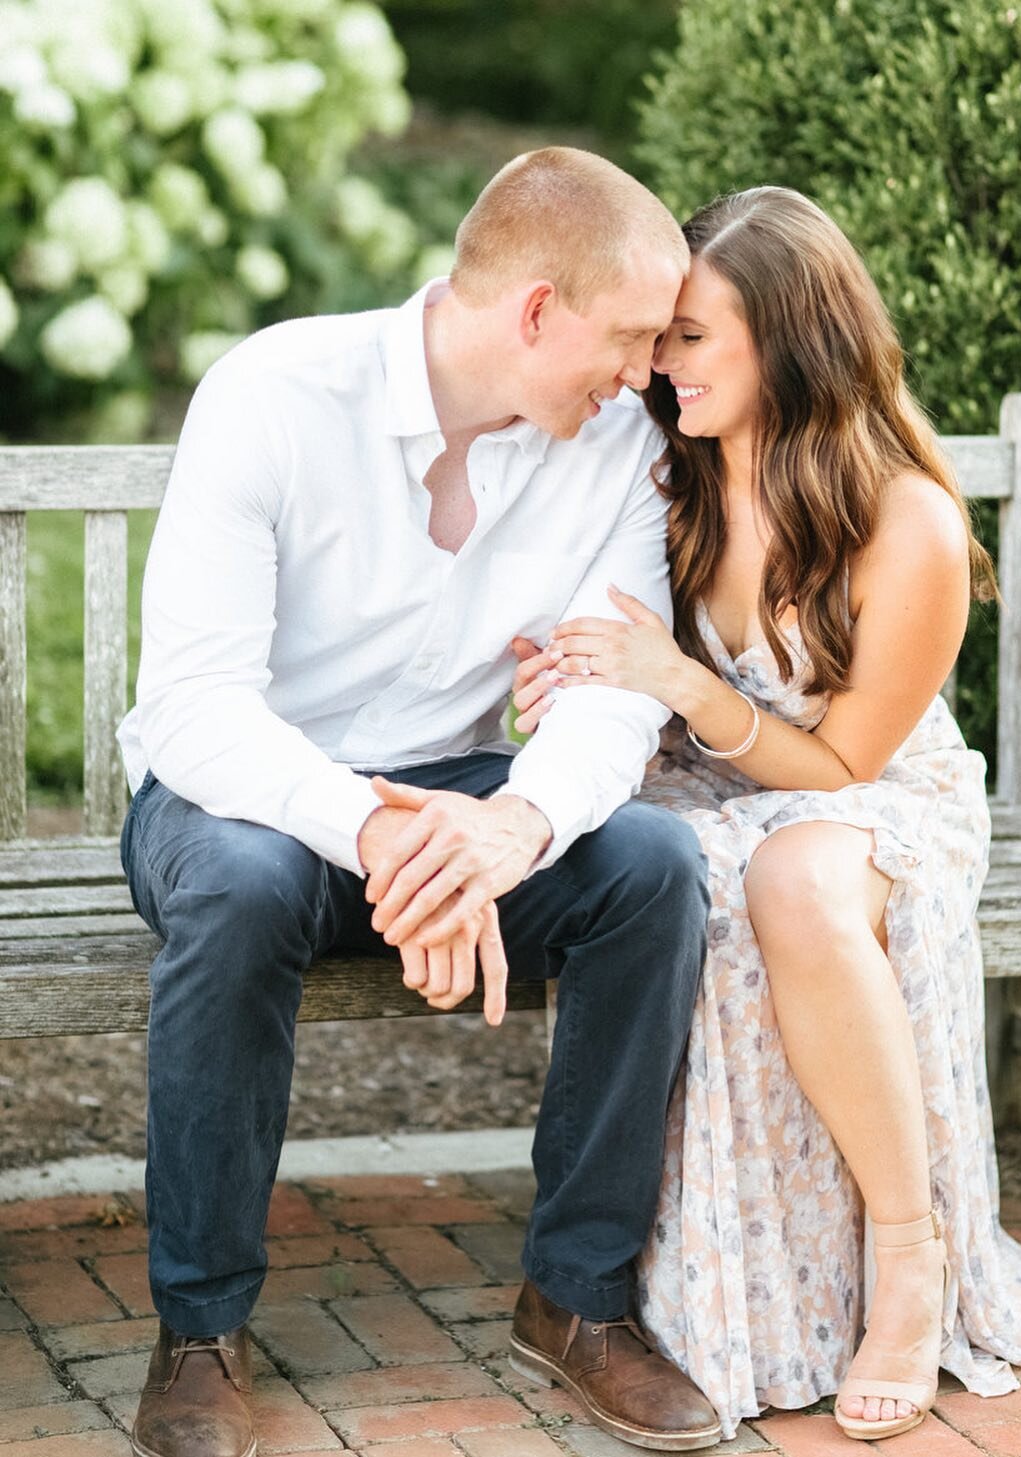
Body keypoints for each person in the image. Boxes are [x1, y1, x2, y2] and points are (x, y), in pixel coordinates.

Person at [512, 185, 1021, 1442]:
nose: (659, 362)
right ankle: (655, 1271)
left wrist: (685, 685)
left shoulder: (901, 519)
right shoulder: (669, 474)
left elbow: (848, 757)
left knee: (794, 882)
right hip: (704, 779)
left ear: (791, 337)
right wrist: (576, 673)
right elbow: (619, 660)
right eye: (659, 335)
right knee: (646, 869)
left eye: (690, 335)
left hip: (873, 795)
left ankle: (906, 1251)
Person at [116, 147, 726, 1457]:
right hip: (244, 794)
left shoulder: (618, 448)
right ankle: (200, 1329)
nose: (641, 374)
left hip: (455, 796)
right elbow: (195, 707)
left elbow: (611, 692)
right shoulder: (275, 394)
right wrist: (382, 829)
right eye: (625, 339)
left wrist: (508, 826)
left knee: (652, 872)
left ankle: (577, 1298)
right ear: (534, 312)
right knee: (240, 884)